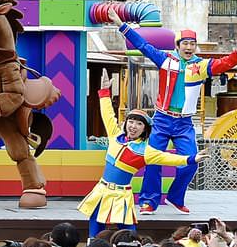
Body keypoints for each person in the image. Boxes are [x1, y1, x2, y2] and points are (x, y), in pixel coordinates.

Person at [110, 10, 237, 213]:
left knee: (192, 162)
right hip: (162, 119)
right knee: (152, 161)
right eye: (185, 43)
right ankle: (149, 201)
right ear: (177, 45)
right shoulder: (165, 59)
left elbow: (224, 63)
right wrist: (121, 24)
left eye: (192, 44)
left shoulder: (201, 65)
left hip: (184, 123)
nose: (189, 47)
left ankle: (175, 197)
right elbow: (142, 45)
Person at [79, 69, 196, 235]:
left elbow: (168, 158)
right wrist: (104, 91)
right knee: (95, 227)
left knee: (128, 233)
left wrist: (192, 158)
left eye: (139, 124)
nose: (133, 126)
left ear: (145, 129)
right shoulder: (115, 135)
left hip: (121, 195)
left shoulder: (145, 151)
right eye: (131, 122)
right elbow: (107, 114)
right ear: (126, 123)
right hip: (102, 190)